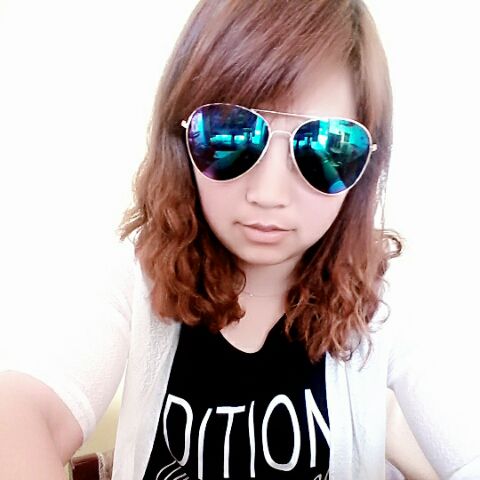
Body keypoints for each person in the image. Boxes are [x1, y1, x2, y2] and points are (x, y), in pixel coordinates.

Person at [0, 0, 479, 479]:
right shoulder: (135, 277)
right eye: (231, 134)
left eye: (325, 146)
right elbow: (19, 410)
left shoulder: (387, 301)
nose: (268, 194)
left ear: (367, 162)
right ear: (181, 134)